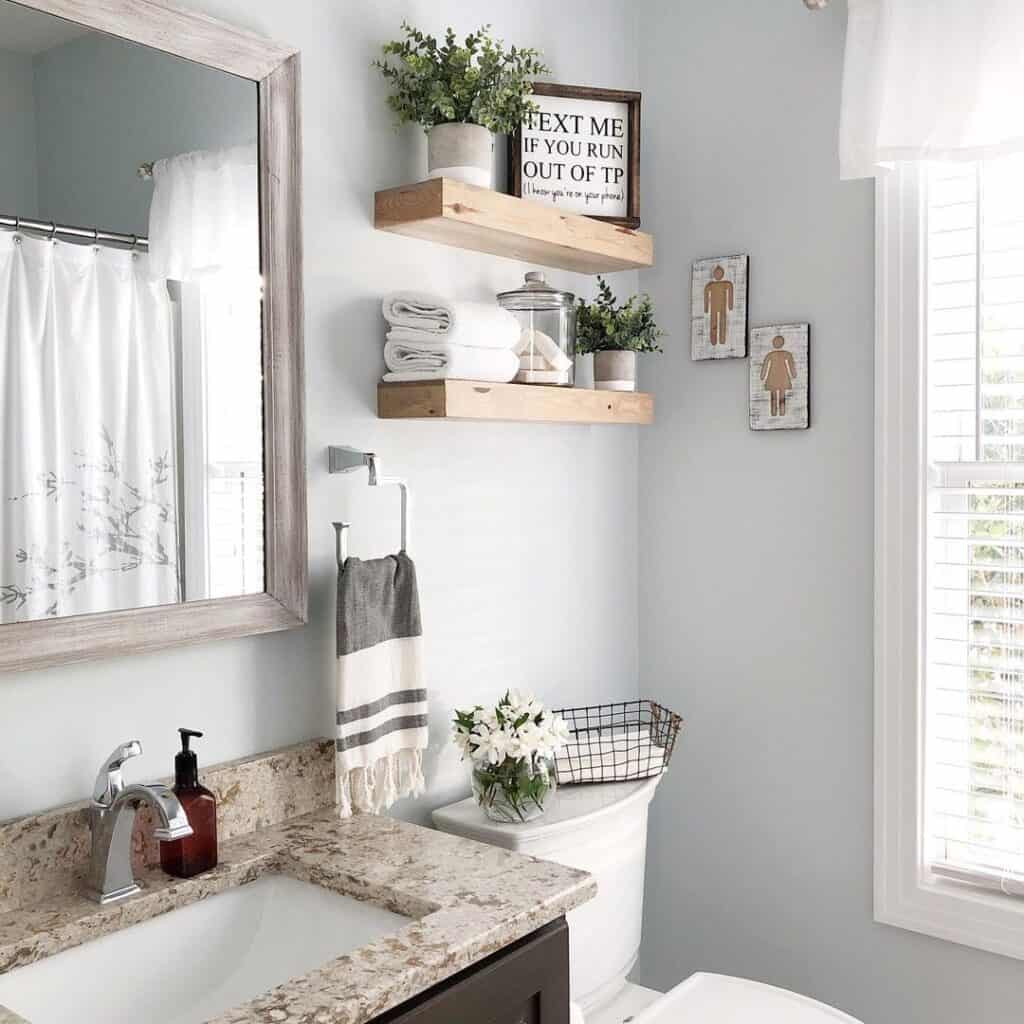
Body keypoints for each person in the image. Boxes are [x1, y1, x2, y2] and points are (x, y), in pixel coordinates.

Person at [760, 334, 797, 416]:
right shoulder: (785, 354)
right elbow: (791, 365)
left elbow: (765, 366)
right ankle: (779, 412)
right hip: (780, 376)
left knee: (777, 396)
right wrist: (793, 374)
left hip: (776, 376)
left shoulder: (772, 354)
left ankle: (777, 412)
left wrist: (762, 376)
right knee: (779, 395)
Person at [703, 265, 733, 346]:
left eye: (719, 273)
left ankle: (722, 340)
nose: (718, 275)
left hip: (722, 306)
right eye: (716, 273)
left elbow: (730, 292)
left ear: (722, 274)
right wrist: (706, 308)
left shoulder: (726, 284)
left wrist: (730, 305)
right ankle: (713, 340)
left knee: (722, 322)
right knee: (713, 322)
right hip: (713, 307)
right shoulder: (711, 285)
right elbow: (706, 295)